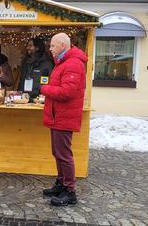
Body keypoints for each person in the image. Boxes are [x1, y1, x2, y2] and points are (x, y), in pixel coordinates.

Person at [40, 33, 87, 206]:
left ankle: (70, 191)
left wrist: (44, 89)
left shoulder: (73, 63)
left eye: (52, 46)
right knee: (58, 153)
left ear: (61, 44)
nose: (50, 49)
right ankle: (61, 184)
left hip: (64, 116)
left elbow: (67, 92)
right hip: (58, 116)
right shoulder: (64, 62)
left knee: (64, 155)